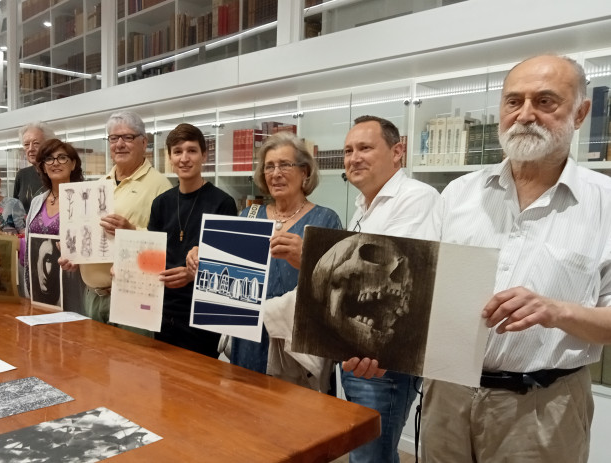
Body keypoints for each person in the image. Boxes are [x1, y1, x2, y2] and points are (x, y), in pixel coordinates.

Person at [419, 55, 611, 462]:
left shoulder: (606, 205)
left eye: (545, 101)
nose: (525, 115)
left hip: (543, 408)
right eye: (513, 101)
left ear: (581, 112)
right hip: (446, 395)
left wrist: (556, 310)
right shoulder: (458, 195)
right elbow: (422, 293)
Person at [188, 132, 342, 375]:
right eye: (269, 166)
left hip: (294, 349)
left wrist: (307, 260)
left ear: (305, 172)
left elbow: (337, 289)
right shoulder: (248, 215)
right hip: (247, 341)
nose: (276, 173)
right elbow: (226, 284)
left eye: (285, 165)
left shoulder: (325, 220)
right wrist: (204, 260)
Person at [339, 115, 441, 463]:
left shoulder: (416, 199)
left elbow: (401, 281)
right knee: (365, 452)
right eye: (348, 150)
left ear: (398, 151)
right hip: (358, 350)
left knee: (371, 457)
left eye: (365, 148)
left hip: (387, 359)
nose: (354, 158)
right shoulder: (362, 206)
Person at [60, 111, 172, 330]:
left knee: (130, 363)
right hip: (93, 297)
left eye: (128, 137)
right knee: (95, 363)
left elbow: (168, 246)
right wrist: (75, 256)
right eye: (113, 138)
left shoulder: (161, 187)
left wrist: (130, 231)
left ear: (144, 142)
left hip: (134, 296)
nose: (120, 144)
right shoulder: (99, 185)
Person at [147, 123, 238, 358]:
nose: (184, 158)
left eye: (192, 150)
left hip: (202, 315)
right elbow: (150, 254)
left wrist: (192, 272)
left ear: (204, 155)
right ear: (169, 157)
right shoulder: (161, 203)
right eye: (177, 151)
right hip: (163, 311)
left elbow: (228, 266)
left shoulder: (223, 203)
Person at [24, 138, 84, 299]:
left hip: (71, 284)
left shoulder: (84, 200)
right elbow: (29, 244)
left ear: (73, 164)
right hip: (37, 287)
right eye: (49, 159)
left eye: (62, 157)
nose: (55, 163)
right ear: (43, 167)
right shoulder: (37, 201)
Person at [14, 121, 55, 212]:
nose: (31, 149)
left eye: (36, 143)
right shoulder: (22, 175)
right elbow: (16, 211)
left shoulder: (58, 173)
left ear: (48, 144)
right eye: (26, 144)